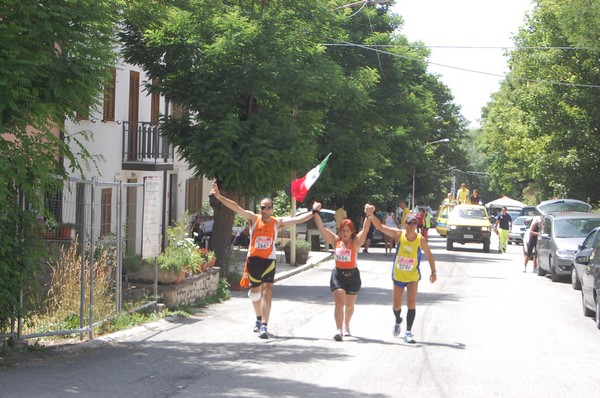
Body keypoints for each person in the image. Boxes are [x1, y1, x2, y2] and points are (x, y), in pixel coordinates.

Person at [210, 182, 315, 339]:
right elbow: (236, 207)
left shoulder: (276, 222)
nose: (264, 210)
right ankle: (259, 318)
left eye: (267, 207)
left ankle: (264, 325)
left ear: (272, 209)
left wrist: (314, 211)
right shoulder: (253, 219)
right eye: (262, 207)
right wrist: (219, 197)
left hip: (268, 261)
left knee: (268, 290)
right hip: (253, 261)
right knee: (255, 294)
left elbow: (297, 220)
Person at [365, 205, 437, 344]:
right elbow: (380, 226)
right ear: (405, 224)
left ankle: (408, 332)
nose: (413, 226)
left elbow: (430, 255)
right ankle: (398, 320)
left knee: (411, 303)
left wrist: (433, 272)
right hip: (398, 275)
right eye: (410, 223)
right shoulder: (399, 234)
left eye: (415, 223)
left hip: (412, 277)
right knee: (396, 306)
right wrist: (370, 215)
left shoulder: (420, 239)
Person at [311, 201, 372, 341]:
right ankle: (338, 330)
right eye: (342, 230)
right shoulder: (335, 240)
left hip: (353, 276)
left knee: (349, 306)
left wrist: (369, 215)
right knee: (339, 302)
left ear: (351, 232)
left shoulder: (355, 243)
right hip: (338, 275)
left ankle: (346, 325)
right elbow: (321, 228)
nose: (344, 233)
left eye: (347, 231)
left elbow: (366, 229)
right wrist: (315, 212)